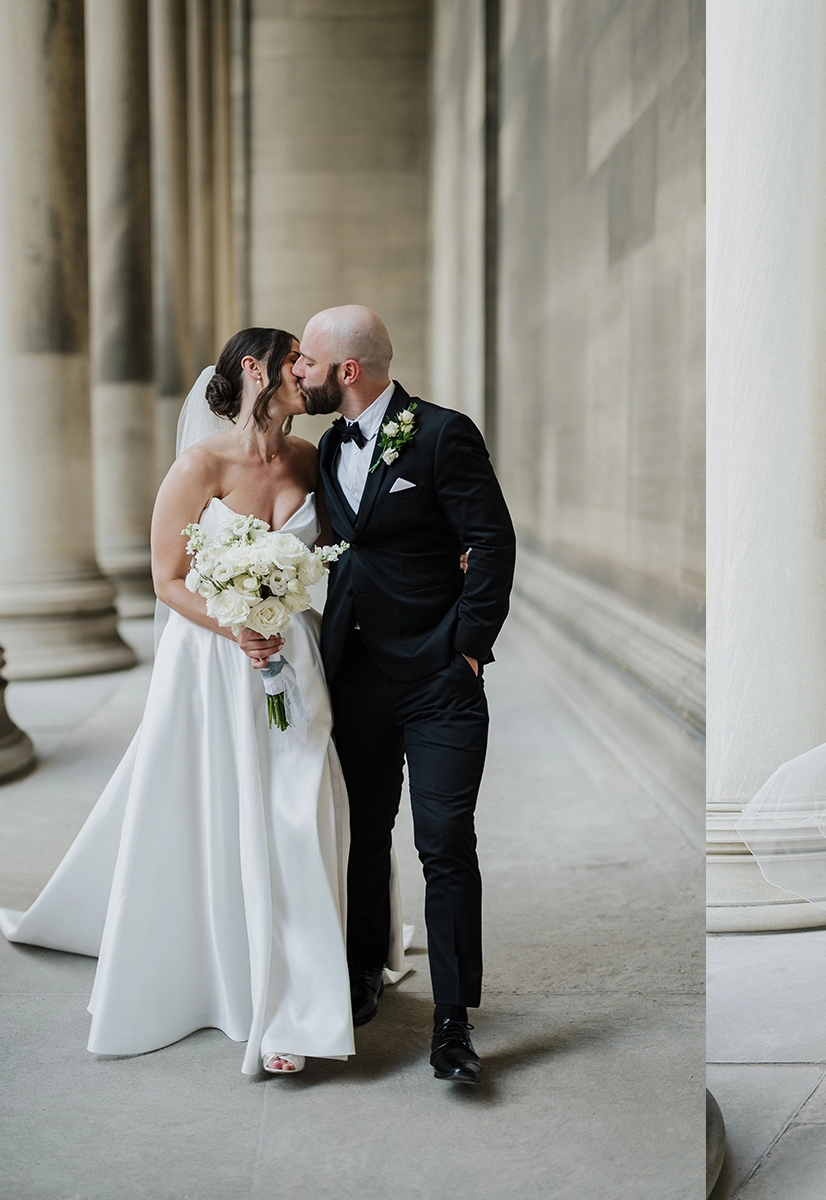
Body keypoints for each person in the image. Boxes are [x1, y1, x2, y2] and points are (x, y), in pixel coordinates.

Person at [0, 327, 361, 1076]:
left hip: (290, 655)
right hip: (211, 660)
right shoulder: (197, 465)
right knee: (221, 807)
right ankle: (223, 971)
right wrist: (235, 624)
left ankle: (297, 1007)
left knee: (297, 808)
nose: (306, 372)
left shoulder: (308, 459)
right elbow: (167, 578)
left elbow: (339, 549)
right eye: (295, 358)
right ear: (255, 369)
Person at [293, 304, 516, 1085]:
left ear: (347, 371)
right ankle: (361, 977)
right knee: (365, 835)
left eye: (310, 364)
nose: (301, 375)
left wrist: (470, 649)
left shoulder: (442, 433)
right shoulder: (325, 447)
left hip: (439, 679)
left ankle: (454, 1021)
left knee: (445, 841)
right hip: (353, 676)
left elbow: (491, 538)